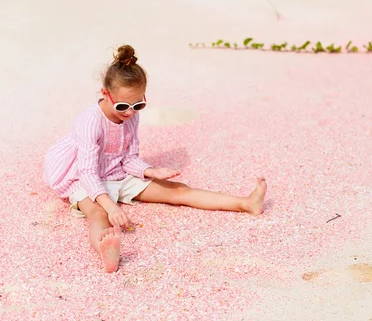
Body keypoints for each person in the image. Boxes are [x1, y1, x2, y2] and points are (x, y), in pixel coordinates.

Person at [43, 45, 267, 273]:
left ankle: (246, 203)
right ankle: (106, 251)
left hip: (116, 171)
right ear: (105, 93)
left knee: (177, 190)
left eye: (138, 105)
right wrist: (111, 207)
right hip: (82, 176)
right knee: (98, 213)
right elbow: (88, 172)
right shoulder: (90, 121)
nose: (129, 112)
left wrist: (150, 172)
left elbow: (128, 158)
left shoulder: (130, 116)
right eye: (122, 106)